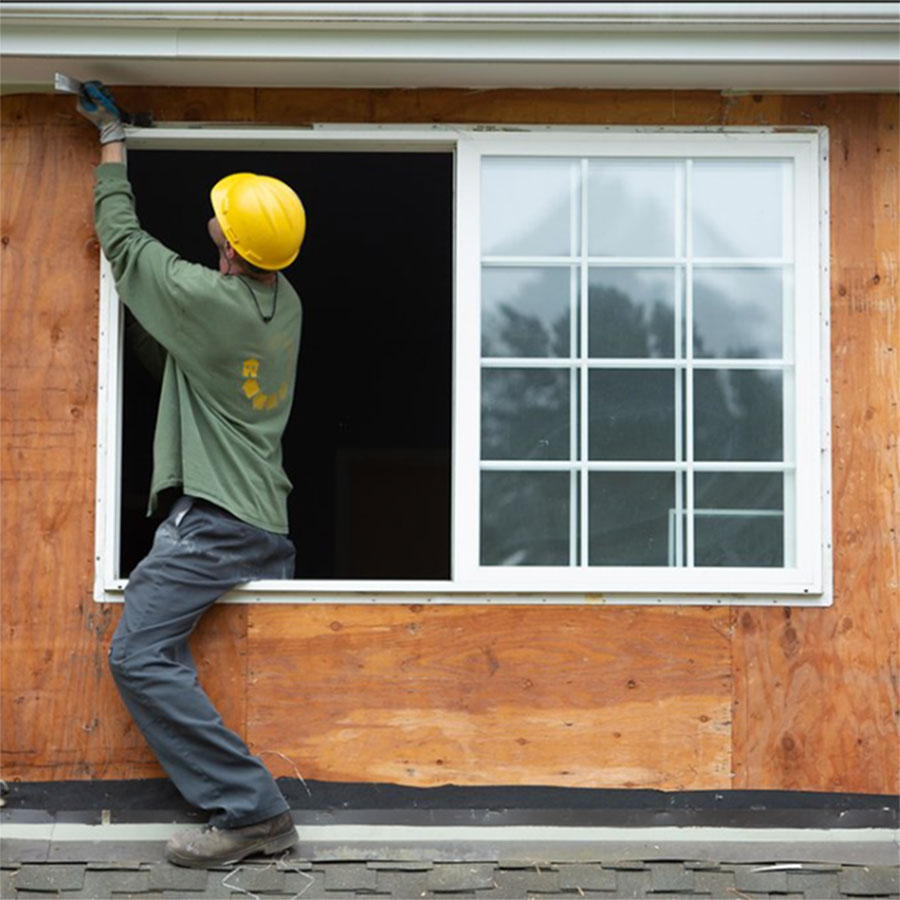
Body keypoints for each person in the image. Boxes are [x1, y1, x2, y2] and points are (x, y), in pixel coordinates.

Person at [79, 84, 305, 868]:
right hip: (263, 521)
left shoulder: (213, 299)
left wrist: (112, 139)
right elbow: (188, 364)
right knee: (174, 654)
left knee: (136, 656)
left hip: (213, 521)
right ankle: (244, 800)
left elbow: (124, 240)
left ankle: (251, 811)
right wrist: (149, 324)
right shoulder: (286, 304)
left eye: (221, 226)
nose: (213, 227)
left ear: (233, 251)